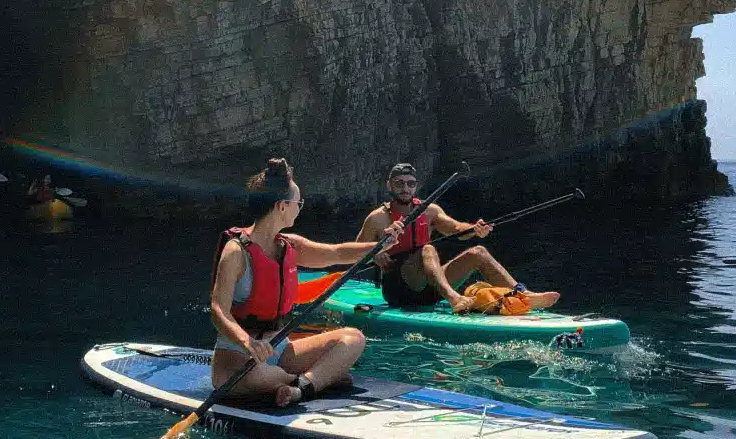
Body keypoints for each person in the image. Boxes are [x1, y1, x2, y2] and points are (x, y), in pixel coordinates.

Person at [211, 158, 404, 408]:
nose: (300, 208)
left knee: (353, 339)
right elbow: (218, 310)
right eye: (298, 203)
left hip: (281, 350)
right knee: (260, 377)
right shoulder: (236, 251)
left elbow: (336, 253)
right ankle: (315, 380)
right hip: (238, 356)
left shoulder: (290, 245)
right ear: (282, 206)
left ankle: (300, 388)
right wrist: (247, 342)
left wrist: (381, 245)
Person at [356, 161, 560, 313]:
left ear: (416, 186)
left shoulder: (430, 211)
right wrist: (375, 255)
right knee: (428, 249)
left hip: (431, 288)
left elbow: (455, 228)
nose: (405, 188)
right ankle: (455, 298)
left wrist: (474, 228)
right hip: (399, 290)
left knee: (479, 252)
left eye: (410, 184)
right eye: (399, 183)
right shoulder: (377, 218)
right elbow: (354, 254)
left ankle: (522, 294)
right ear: (389, 185)